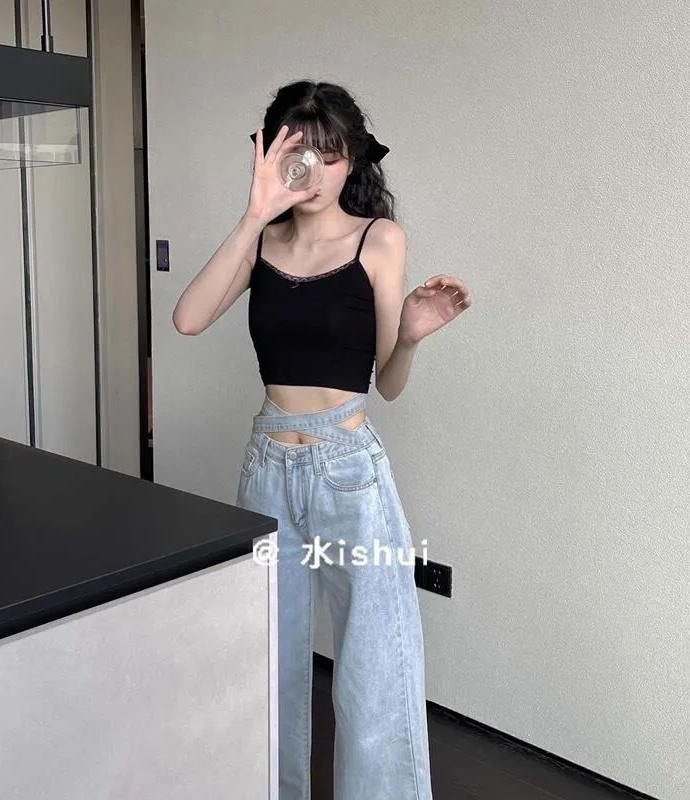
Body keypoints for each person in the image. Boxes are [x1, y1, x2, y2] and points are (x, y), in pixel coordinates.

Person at [173, 80, 471, 800]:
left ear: (353, 161)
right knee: (267, 658)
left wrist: (410, 336)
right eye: (298, 152)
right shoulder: (261, 242)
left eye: (330, 155)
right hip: (267, 469)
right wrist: (254, 213)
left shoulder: (379, 239)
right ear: (270, 155)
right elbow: (188, 318)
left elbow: (387, 384)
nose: (313, 169)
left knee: (374, 665)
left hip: (348, 472)